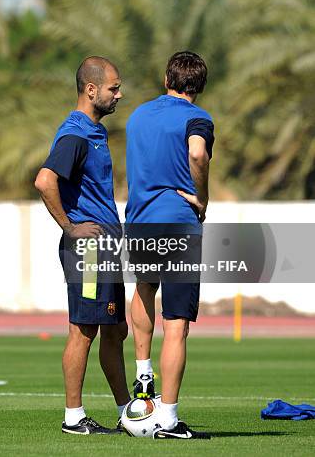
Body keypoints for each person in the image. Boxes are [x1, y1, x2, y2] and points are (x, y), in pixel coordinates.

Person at [34, 56, 130, 435]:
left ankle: (126, 412)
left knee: (114, 329)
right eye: (113, 88)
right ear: (91, 90)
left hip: (104, 247)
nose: (119, 94)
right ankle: (73, 417)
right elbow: (44, 181)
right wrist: (70, 227)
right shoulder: (75, 133)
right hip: (89, 249)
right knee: (83, 330)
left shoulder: (95, 131)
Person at [125, 51, 214, 440]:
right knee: (176, 322)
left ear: (166, 79)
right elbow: (197, 152)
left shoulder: (138, 115)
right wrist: (202, 197)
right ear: (200, 85)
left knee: (144, 288)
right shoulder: (199, 118)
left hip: (140, 220)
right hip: (178, 222)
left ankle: (144, 379)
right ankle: (168, 419)